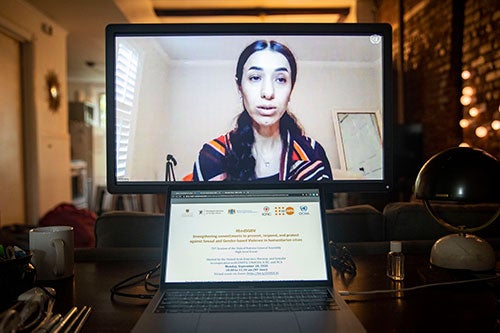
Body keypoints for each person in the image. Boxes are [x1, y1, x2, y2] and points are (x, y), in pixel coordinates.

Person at [193, 40, 332, 181]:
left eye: (280, 80)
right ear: (239, 87)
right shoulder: (212, 156)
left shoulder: (313, 154)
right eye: (255, 78)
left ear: (291, 89)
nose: (268, 92)